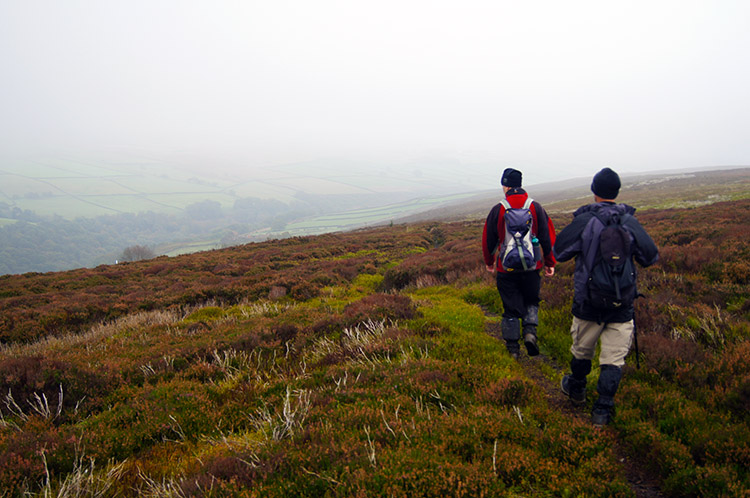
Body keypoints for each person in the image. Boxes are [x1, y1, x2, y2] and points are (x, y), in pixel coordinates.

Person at [554, 167, 659, 426]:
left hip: (588, 303)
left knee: (581, 352)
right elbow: (650, 256)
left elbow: (559, 251)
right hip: (622, 303)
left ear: (594, 192)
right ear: (617, 191)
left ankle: (577, 388)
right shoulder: (629, 222)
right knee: (613, 359)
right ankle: (602, 411)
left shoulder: (585, 221)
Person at [482, 168, 556, 359]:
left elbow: (488, 239)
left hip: (506, 267)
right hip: (532, 266)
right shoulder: (535, 207)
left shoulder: (498, 208)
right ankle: (530, 333)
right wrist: (549, 262)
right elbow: (547, 237)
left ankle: (513, 350)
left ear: (505, 185)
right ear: (520, 184)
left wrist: (489, 261)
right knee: (531, 300)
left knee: (510, 306)